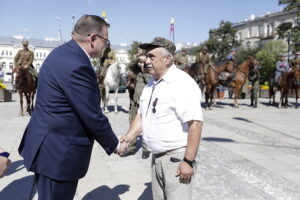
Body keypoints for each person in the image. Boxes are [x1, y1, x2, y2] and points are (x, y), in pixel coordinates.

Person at [18, 15, 127, 200]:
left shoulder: (62, 53)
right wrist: (115, 144)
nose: (106, 46)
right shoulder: (77, 64)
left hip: (48, 147)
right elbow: (91, 114)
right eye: (106, 41)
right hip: (58, 154)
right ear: (93, 38)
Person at [121, 37, 203, 200]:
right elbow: (142, 115)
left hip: (175, 160)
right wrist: (128, 138)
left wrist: (187, 161)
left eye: (152, 57)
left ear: (167, 59)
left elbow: (195, 123)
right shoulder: (151, 84)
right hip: (157, 158)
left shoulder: (182, 83)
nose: (147, 61)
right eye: (147, 56)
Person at [125, 49, 151, 158]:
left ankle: (146, 149)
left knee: (146, 125)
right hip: (135, 102)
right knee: (132, 123)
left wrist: (143, 68)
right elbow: (130, 64)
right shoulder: (137, 70)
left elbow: (149, 80)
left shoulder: (150, 70)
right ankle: (132, 147)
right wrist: (138, 58)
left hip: (145, 103)